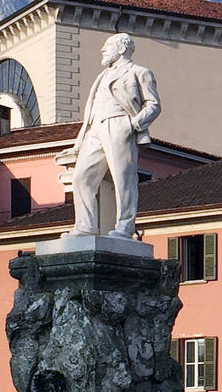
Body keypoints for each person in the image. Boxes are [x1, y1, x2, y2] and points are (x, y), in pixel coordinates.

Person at [68, 33, 162, 240]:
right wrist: (79, 143)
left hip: (119, 124)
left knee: (123, 178)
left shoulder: (139, 72)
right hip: (95, 129)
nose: (103, 50)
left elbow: (153, 105)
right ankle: (85, 226)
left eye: (107, 45)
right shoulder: (101, 76)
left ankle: (125, 226)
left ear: (121, 48)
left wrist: (133, 124)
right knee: (82, 177)